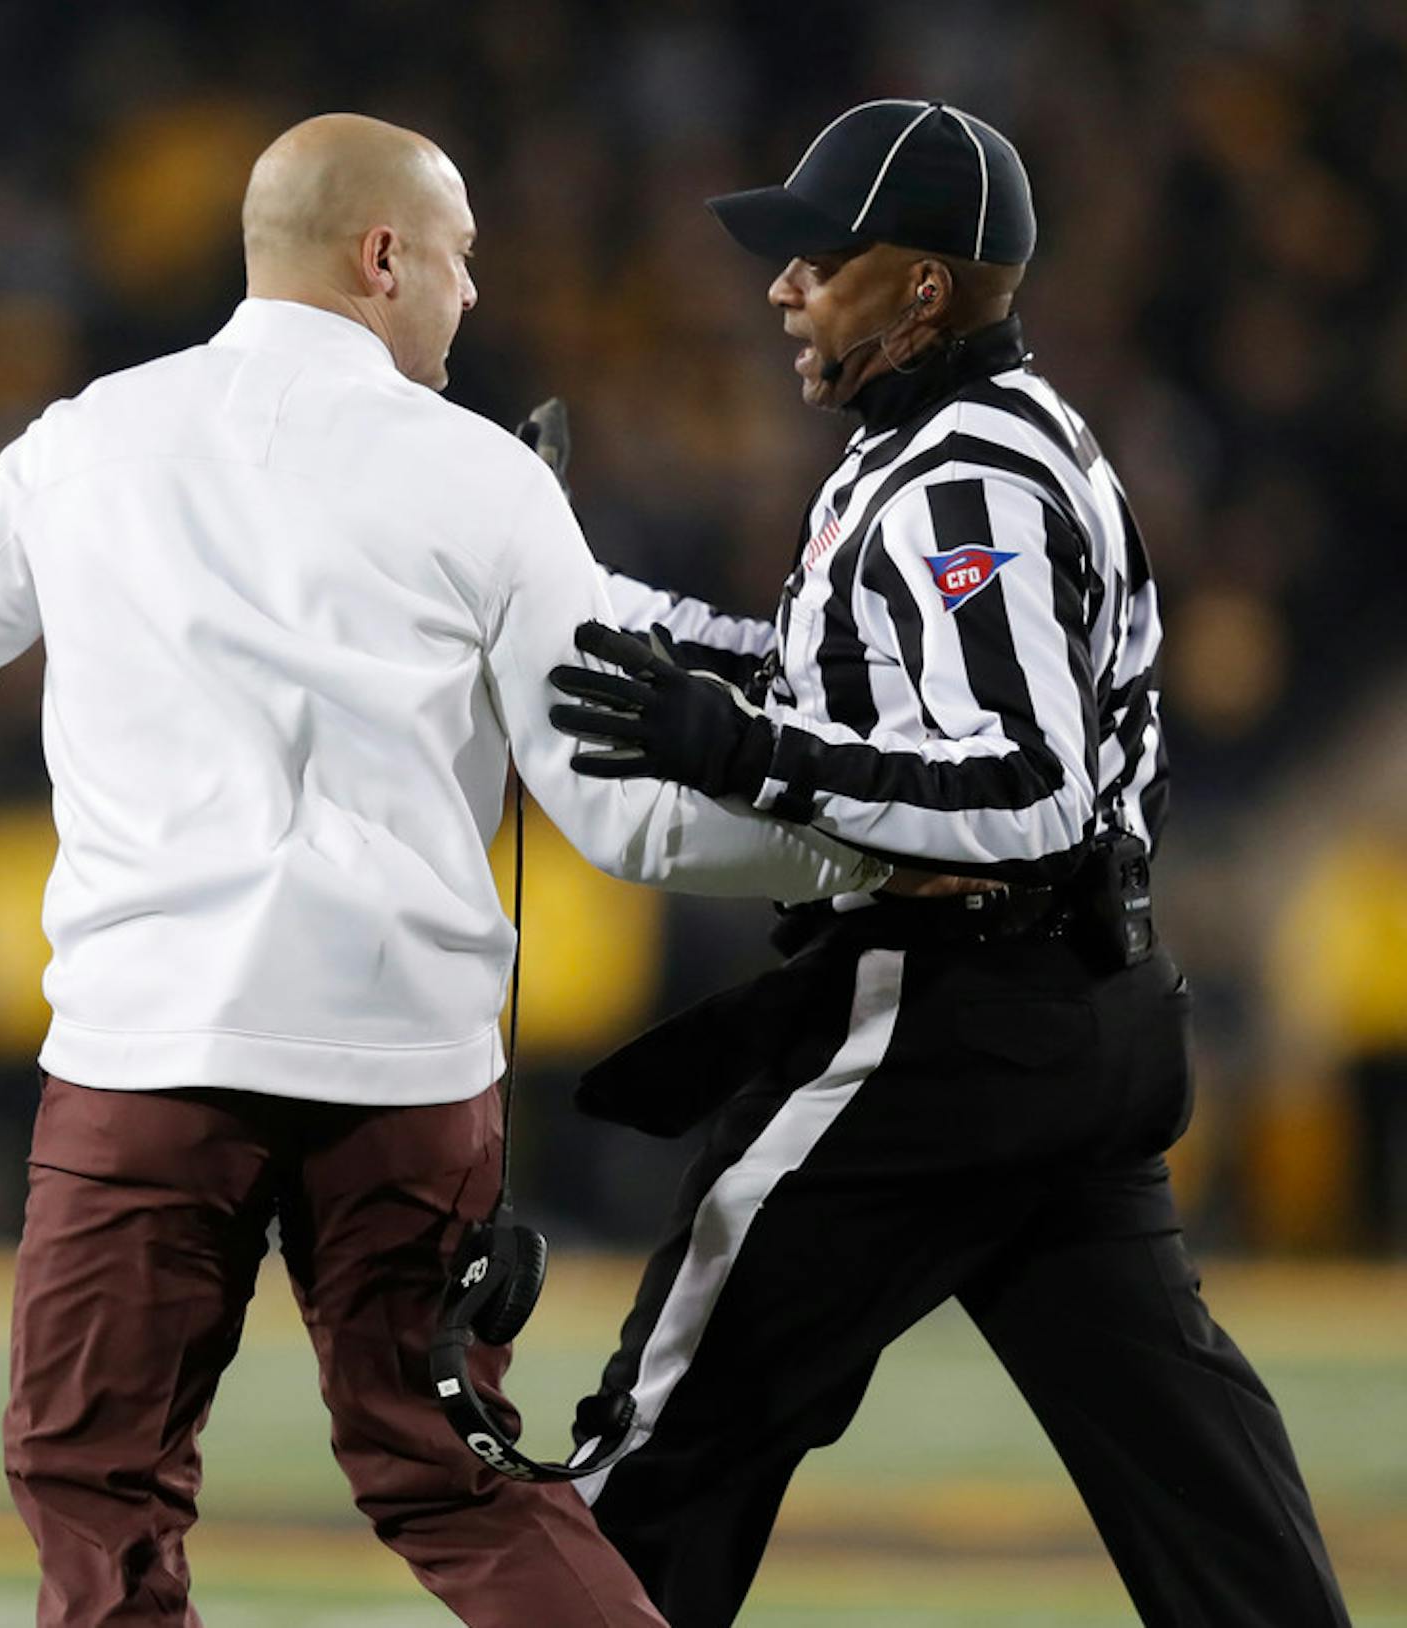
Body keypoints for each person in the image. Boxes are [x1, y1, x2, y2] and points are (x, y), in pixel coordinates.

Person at [0, 113, 887, 1628]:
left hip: (146, 1062)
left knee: (98, 1493)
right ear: (382, 257)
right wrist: (878, 846)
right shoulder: (486, 480)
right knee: (454, 1476)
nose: (473, 296)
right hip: (406, 1071)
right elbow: (628, 823)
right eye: (462, 257)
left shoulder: (86, 443)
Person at [546, 99, 1351, 1626]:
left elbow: (1027, 795)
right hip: (1079, 1019)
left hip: (962, 1019)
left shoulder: (959, 481)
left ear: (922, 286)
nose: (782, 286)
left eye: (820, 257)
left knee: (665, 1435)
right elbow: (823, 674)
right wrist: (565, 598)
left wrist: (741, 752)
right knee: (1201, 1486)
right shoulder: (969, 440)